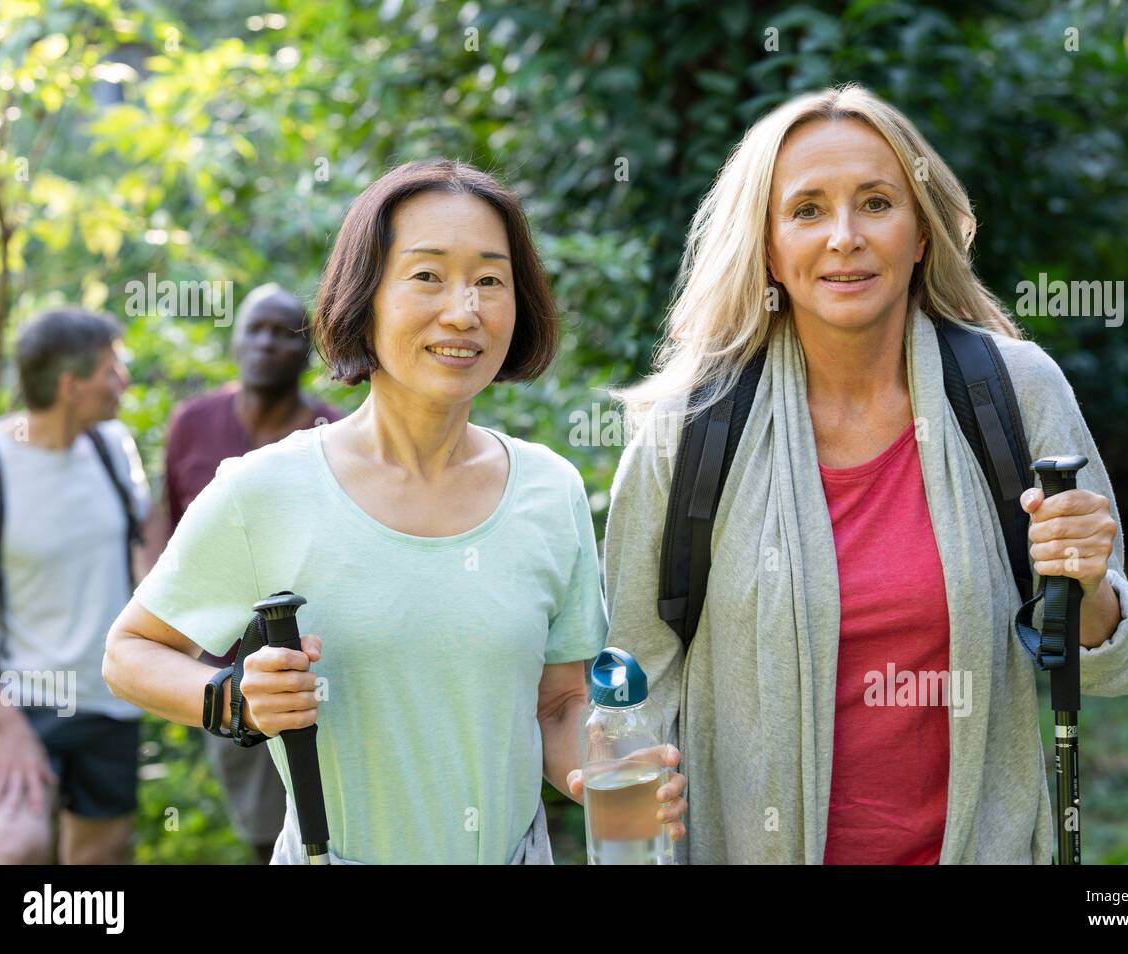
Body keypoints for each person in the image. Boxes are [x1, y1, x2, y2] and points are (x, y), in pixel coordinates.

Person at [605, 84, 1128, 864]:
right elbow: (631, 693)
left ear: (921, 234)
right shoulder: (689, 432)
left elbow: (1118, 665)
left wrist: (1089, 583)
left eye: (875, 203)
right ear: (767, 246)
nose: (844, 238)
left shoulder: (1015, 391)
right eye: (806, 211)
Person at [104, 159, 689, 863]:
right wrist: (232, 700)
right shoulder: (265, 490)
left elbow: (558, 701)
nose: (464, 310)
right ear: (365, 297)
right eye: (427, 275)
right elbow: (129, 653)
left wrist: (599, 773)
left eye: (490, 280)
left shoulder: (548, 489)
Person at [155, 282, 344, 864]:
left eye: (281, 332)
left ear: (307, 351)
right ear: (235, 341)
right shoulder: (194, 422)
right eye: (253, 329)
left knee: (332, 822)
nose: (265, 343)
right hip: (226, 676)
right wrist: (173, 646)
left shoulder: (331, 436)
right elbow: (159, 534)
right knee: (266, 831)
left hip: (316, 670)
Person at [0, 308, 153, 864]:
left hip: (110, 700)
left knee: (98, 866)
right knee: (15, 849)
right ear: (71, 387)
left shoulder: (112, 447)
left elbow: (140, 558)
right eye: (110, 370)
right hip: (19, 700)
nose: (122, 381)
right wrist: (5, 726)